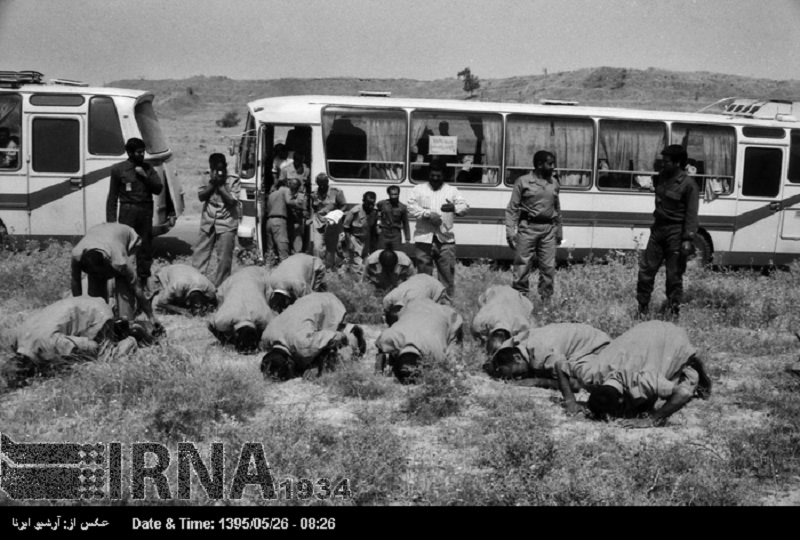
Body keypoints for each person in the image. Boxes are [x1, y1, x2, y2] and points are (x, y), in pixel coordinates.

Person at [578, 321, 712, 428]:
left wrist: (651, 420)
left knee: (679, 374)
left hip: (669, 335)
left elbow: (683, 393)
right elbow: (562, 366)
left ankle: (691, 365)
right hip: (642, 332)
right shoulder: (592, 371)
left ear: (621, 400)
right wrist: (571, 401)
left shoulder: (643, 379)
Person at [8, 296, 154, 381]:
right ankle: (123, 328)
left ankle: (132, 340)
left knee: (105, 358)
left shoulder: (49, 343)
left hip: (96, 313)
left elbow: (91, 347)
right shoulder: (21, 336)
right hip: (83, 304)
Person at [636, 145, 699, 318]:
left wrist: (688, 239)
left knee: (673, 276)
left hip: (676, 233)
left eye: (667, 161)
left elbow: (691, 214)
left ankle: (673, 311)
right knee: (646, 271)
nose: (663, 164)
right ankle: (642, 308)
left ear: (678, 163)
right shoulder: (662, 178)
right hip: (658, 230)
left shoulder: (689, 185)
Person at [70, 222, 160, 329]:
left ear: (107, 264)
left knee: (124, 289)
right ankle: (104, 323)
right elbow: (75, 280)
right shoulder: (77, 256)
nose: (98, 276)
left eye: (100, 273)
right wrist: (80, 307)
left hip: (128, 239)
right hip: (99, 233)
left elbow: (137, 288)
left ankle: (126, 321)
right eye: (93, 273)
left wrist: (151, 316)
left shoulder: (120, 262)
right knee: (96, 298)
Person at [260, 292, 366, 380]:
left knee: (338, 345)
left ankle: (352, 331)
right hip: (307, 300)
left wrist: (318, 364)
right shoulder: (266, 337)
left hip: (326, 303)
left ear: (290, 364)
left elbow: (335, 337)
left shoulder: (303, 344)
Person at [407, 158, 469, 301]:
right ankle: (423, 304)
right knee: (423, 278)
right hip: (424, 239)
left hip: (445, 241)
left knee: (446, 278)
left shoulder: (452, 191)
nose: (435, 178)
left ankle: (446, 307)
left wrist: (454, 208)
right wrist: (427, 214)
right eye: (432, 175)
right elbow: (410, 207)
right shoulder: (418, 189)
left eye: (438, 176)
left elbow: (465, 207)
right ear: (428, 174)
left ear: (444, 175)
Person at [505, 150, 563, 302]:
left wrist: (559, 231)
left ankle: (545, 303)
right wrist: (510, 232)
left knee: (548, 268)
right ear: (539, 165)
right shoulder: (523, 182)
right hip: (527, 228)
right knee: (522, 266)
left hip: (548, 231)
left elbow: (557, 209)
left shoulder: (554, 183)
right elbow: (512, 208)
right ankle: (520, 301)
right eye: (550, 164)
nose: (553, 167)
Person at [106, 137, 163, 288]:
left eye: (143, 152)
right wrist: (111, 222)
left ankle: (143, 281)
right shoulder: (118, 170)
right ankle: (125, 282)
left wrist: (145, 176)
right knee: (125, 247)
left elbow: (158, 189)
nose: (142, 155)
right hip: (127, 211)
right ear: (130, 153)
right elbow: (112, 197)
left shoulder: (148, 169)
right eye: (138, 152)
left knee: (145, 247)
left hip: (145, 210)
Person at [488, 323, 612, 391]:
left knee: (589, 382)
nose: (517, 378)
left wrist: (538, 381)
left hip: (595, 347)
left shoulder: (543, 354)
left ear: (517, 357)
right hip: (586, 336)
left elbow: (575, 384)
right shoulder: (512, 345)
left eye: (516, 373)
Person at [375, 298, 464, 383]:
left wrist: (379, 370)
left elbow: (380, 345)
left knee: (453, 343)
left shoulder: (436, 352)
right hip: (415, 307)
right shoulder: (392, 336)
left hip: (438, 312)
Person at [192, 153, 241, 287]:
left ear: (225, 167)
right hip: (208, 222)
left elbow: (232, 201)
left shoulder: (233, 179)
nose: (217, 172)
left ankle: (220, 288)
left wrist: (221, 186)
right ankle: (197, 287)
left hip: (226, 223)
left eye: (220, 169)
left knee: (224, 260)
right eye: (214, 169)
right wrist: (212, 184)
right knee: (199, 257)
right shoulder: (207, 176)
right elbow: (201, 196)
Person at [208, 266, 274, 353]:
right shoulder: (266, 318)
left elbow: (219, 296)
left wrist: (225, 341)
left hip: (250, 276)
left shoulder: (265, 317)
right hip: (251, 278)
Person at [470, 285, 534, 356]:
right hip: (493, 292)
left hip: (518, 297)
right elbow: (475, 332)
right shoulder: (481, 321)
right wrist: (482, 343)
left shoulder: (522, 326)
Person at [310, 173, 347, 269]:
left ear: (327, 183)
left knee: (332, 248)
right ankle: (319, 268)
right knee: (317, 247)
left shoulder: (336, 192)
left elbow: (344, 205)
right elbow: (313, 207)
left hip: (332, 223)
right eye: (320, 185)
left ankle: (330, 268)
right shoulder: (314, 193)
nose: (322, 187)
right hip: (319, 222)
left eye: (324, 184)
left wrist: (337, 214)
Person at [382, 273, 447, 326]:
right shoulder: (388, 299)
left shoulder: (418, 302)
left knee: (433, 317)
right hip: (417, 279)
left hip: (434, 286)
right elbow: (386, 311)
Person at [151, 264, 217, 316]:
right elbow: (160, 303)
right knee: (160, 308)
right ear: (187, 302)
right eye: (196, 308)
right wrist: (181, 310)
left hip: (188, 269)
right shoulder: (176, 286)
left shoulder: (210, 289)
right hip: (167, 270)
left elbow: (214, 302)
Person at [342, 191, 378, 273]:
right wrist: (349, 242)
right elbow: (346, 227)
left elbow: (373, 228)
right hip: (355, 239)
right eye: (368, 203)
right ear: (363, 201)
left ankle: (359, 278)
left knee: (365, 262)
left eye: (372, 203)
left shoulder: (374, 211)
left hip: (367, 240)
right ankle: (355, 281)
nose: (370, 206)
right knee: (356, 263)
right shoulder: (354, 211)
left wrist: (374, 243)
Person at [264, 179, 294, 264]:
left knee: (270, 250)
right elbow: (289, 201)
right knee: (283, 247)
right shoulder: (284, 190)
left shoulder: (271, 195)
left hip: (269, 221)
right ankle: (284, 272)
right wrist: (299, 204)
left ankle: (268, 269)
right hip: (279, 221)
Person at [376, 185, 411, 250]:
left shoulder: (402, 207)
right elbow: (377, 214)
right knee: (381, 253)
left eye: (395, 194)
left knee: (396, 254)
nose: (393, 196)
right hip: (384, 232)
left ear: (398, 194)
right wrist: (378, 225)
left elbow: (405, 223)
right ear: (388, 194)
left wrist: (407, 238)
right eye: (391, 194)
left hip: (396, 234)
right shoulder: (382, 204)